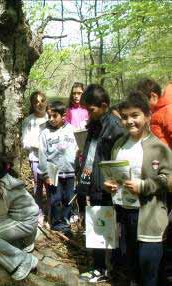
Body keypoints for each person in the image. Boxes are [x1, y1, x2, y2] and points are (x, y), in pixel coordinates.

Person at [104, 91, 172, 286]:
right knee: (131, 268)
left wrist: (144, 186)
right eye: (125, 117)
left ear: (147, 116)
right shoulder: (119, 144)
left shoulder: (158, 147)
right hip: (123, 215)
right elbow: (113, 173)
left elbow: (168, 180)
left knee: (149, 272)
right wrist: (109, 184)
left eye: (135, 115)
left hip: (148, 218)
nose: (129, 121)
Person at [77, 84, 126, 283]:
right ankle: (99, 267)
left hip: (108, 187)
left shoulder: (115, 126)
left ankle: (110, 267)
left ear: (104, 105)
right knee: (97, 226)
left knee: (108, 228)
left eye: (91, 110)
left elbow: (120, 159)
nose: (89, 114)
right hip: (94, 183)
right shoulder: (95, 124)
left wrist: (114, 182)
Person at [0, 153, 40, 281]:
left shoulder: (3, 189)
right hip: (31, 219)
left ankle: (23, 260)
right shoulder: (10, 179)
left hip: (24, 223)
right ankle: (27, 242)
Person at [37, 101, 78, 234]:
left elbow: (78, 147)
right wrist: (45, 174)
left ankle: (65, 220)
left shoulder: (72, 129)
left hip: (70, 171)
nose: (51, 119)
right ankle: (56, 222)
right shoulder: (45, 133)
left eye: (55, 116)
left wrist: (79, 162)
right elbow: (42, 154)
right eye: (49, 116)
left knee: (68, 197)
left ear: (63, 115)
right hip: (54, 173)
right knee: (56, 198)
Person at [22, 91, 48, 225]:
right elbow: (24, 142)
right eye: (36, 102)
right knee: (38, 186)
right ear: (32, 104)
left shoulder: (51, 117)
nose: (40, 104)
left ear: (46, 102)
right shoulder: (29, 120)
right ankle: (39, 212)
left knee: (51, 187)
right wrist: (36, 145)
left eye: (42, 101)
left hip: (50, 159)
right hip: (36, 158)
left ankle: (51, 212)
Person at [136, 79, 172, 149]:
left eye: (143, 101)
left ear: (154, 96)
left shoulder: (168, 111)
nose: (142, 104)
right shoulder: (155, 111)